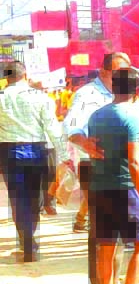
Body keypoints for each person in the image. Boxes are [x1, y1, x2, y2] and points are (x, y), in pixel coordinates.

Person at [87, 68, 139, 284]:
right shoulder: (133, 116)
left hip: (99, 187)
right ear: (138, 90)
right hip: (126, 188)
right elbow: (135, 162)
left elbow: (95, 146)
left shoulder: (96, 116)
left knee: (106, 248)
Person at [0, 61, 66, 262]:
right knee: (35, 197)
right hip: (37, 151)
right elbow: (53, 127)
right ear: (25, 75)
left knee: (18, 198)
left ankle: (27, 241)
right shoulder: (40, 97)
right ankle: (29, 238)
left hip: (8, 152)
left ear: (6, 77)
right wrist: (64, 156)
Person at [64, 53, 131, 234]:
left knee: (117, 221)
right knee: (102, 227)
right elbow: (71, 124)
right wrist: (83, 142)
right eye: (118, 72)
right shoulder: (87, 94)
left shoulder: (126, 94)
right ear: (103, 72)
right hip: (95, 163)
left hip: (123, 165)